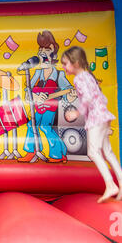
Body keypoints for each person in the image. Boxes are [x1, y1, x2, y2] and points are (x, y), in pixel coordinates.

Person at [61, 46, 122, 203]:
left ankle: (110, 184)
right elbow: (101, 97)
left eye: (66, 64)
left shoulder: (78, 79)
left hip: (96, 118)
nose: (63, 67)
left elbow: (87, 97)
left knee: (93, 152)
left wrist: (77, 113)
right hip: (104, 115)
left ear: (76, 63)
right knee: (108, 151)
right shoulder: (88, 76)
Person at [19, 30, 77, 163]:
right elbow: (28, 89)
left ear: (53, 55)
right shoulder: (37, 73)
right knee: (30, 125)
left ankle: (58, 154)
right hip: (38, 107)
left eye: (47, 50)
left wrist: (68, 96)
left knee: (45, 127)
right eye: (41, 50)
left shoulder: (58, 74)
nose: (43, 54)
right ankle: (30, 151)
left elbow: (68, 90)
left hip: (51, 109)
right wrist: (35, 96)